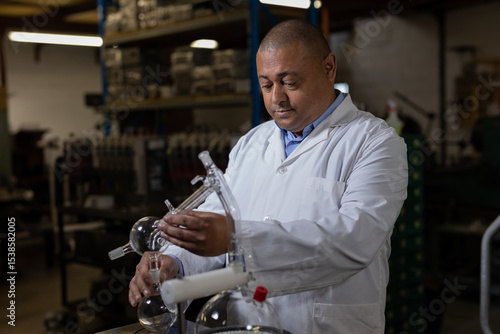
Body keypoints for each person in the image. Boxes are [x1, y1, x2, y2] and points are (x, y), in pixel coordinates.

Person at [129, 19, 408, 333]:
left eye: (289, 82)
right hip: (248, 322)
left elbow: (353, 241)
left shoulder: (375, 142)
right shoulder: (252, 143)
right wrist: (177, 260)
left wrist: (237, 238)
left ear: (329, 68)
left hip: (325, 324)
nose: (277, 98)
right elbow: (218, 216)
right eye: (266, 84)